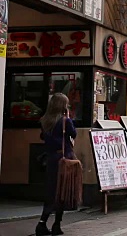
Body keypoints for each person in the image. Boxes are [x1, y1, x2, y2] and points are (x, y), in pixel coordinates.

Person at [36, 93, 77, 236]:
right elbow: (74, 134)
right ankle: (56, 225)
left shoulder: (44, 120)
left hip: (51, 159)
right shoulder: (65, 121)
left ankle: (42, 222)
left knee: (52, 191)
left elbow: (43, 137)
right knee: (63, 191)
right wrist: (69, 117)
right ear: (63, 105)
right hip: (64, 159)